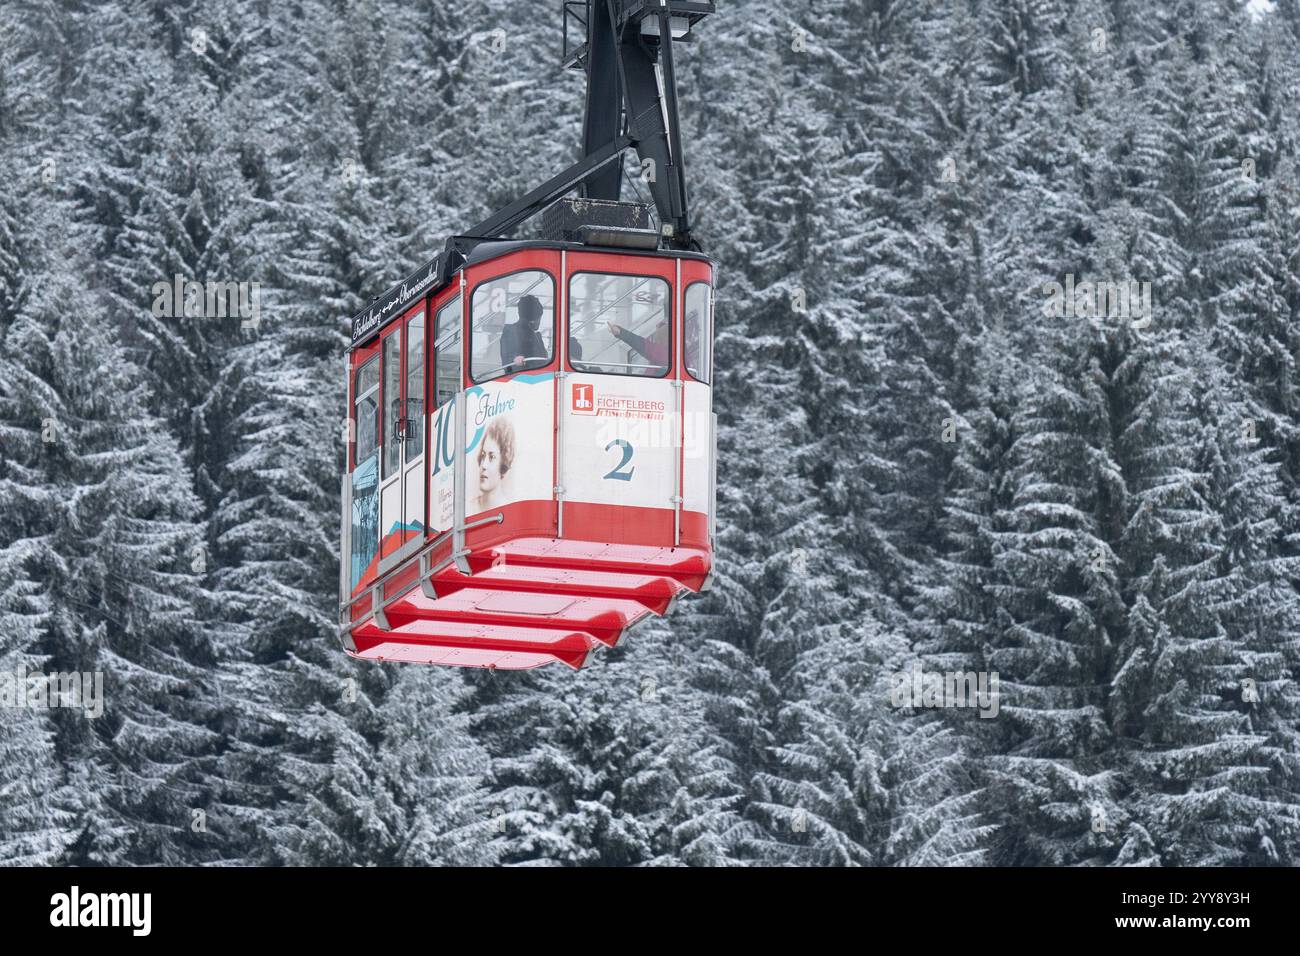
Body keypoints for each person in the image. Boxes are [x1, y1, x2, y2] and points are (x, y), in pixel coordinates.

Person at [469, 416, 515, 514]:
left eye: (492, 457)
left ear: (504, 463)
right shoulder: (469, 508)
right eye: (483, 455)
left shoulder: (510, 510)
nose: (484, 465)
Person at [499, 294, 547, 373]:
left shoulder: (537, 336)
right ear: (535, 318)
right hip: (520, 378)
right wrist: (515, 358)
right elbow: (508, 357)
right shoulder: (511, 331)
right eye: (539, 318)